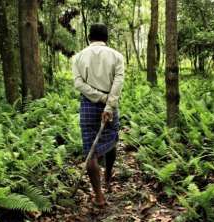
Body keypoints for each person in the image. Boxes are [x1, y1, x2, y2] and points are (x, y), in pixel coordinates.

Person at [72, 23, 125, 207]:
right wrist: (108, 103)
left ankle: (99, 196)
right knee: (111, 139)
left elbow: (79, 84)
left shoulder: (78, 57)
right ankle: (108, 175)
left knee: (90, 151)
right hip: (109, 105)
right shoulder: (117, 56)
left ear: (89, 37)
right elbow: (118, 83)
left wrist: (99, 98)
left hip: (87, 104)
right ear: (106, 38)